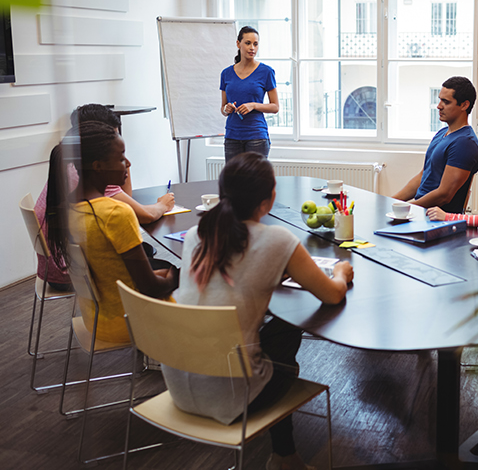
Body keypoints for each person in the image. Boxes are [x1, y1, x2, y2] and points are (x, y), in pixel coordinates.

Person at [161, 152, 354, 470]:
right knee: (289, 325)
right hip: (233, 397)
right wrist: (341, 272)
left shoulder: (198, 234)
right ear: (268, 200)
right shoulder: (277, 239)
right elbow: (332, 295)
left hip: (179, 386)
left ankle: (286, 457)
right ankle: (284, 458)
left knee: (265, 330)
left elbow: (236, 270)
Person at [48, 121, 178, 343]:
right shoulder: (115, 213)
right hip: (130, 322)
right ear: (98, 166)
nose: (128, 164)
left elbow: (112, 272)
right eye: (121, 158)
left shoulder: (68, 207)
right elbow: (151, 289)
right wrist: (179, 275)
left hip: (96, 319)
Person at [34, 104, 175, 290]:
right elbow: (142, 214)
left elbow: (124, 197)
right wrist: (163, 204)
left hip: (57, 269)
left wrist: (120, 159)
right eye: (120, 155)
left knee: (146, 252)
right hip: (75, 275)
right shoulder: (112, 210)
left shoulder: (71, 170)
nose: (128, 163)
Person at [393, 76, 478, 214]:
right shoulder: (442, 133)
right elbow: (423, 176)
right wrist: (391, 201)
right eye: (440, 100)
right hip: (422, 212)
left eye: (446, 102)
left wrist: (408, 209)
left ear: (464, 105)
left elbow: (444, 195)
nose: (439, 106)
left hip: (438, 219)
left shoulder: (465, 143)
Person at [220, 26, 279, 162]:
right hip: (232, 137)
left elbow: (275, 107)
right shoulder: (226, 73)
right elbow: (223, 108)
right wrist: (226, 109)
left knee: (255, 176)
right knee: (233, 176)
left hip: (257, 137)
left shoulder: (266, 72)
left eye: (255, 44)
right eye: (248, 43)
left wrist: (253, 105)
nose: (252, 48)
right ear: (238, 44)